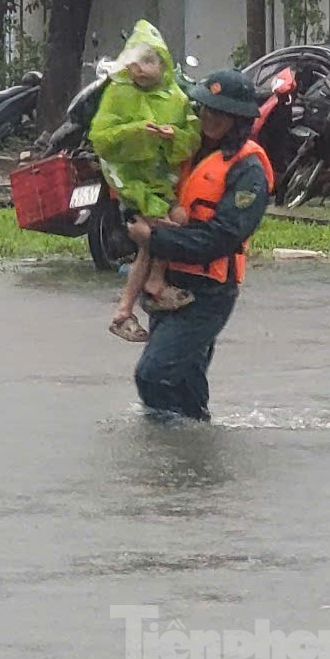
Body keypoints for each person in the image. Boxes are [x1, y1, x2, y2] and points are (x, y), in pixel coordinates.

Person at [125, 69, 273, 422]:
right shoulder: (187, 154)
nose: (208, 118)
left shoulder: (248, 168)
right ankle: (193, 454)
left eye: (218, 113)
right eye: (204, 109)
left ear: (237, 118)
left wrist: (156, 238)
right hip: (170, 283)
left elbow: (221, 237)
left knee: (154, 374)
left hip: (209, 291)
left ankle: (169, 451)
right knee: (186, 380)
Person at [89, 20, 201, 342]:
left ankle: (127, 308)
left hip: (161, 182)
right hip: (131, 181)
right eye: (135, 62)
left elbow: (190, 140)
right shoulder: (118, 92)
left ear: (163, 62)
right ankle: (147, 291)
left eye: (149, 61)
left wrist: (172, 135)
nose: (140, 69)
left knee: (165, 230)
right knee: (162, 232)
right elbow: (102, 139)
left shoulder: (175, 97)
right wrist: (136, 131)